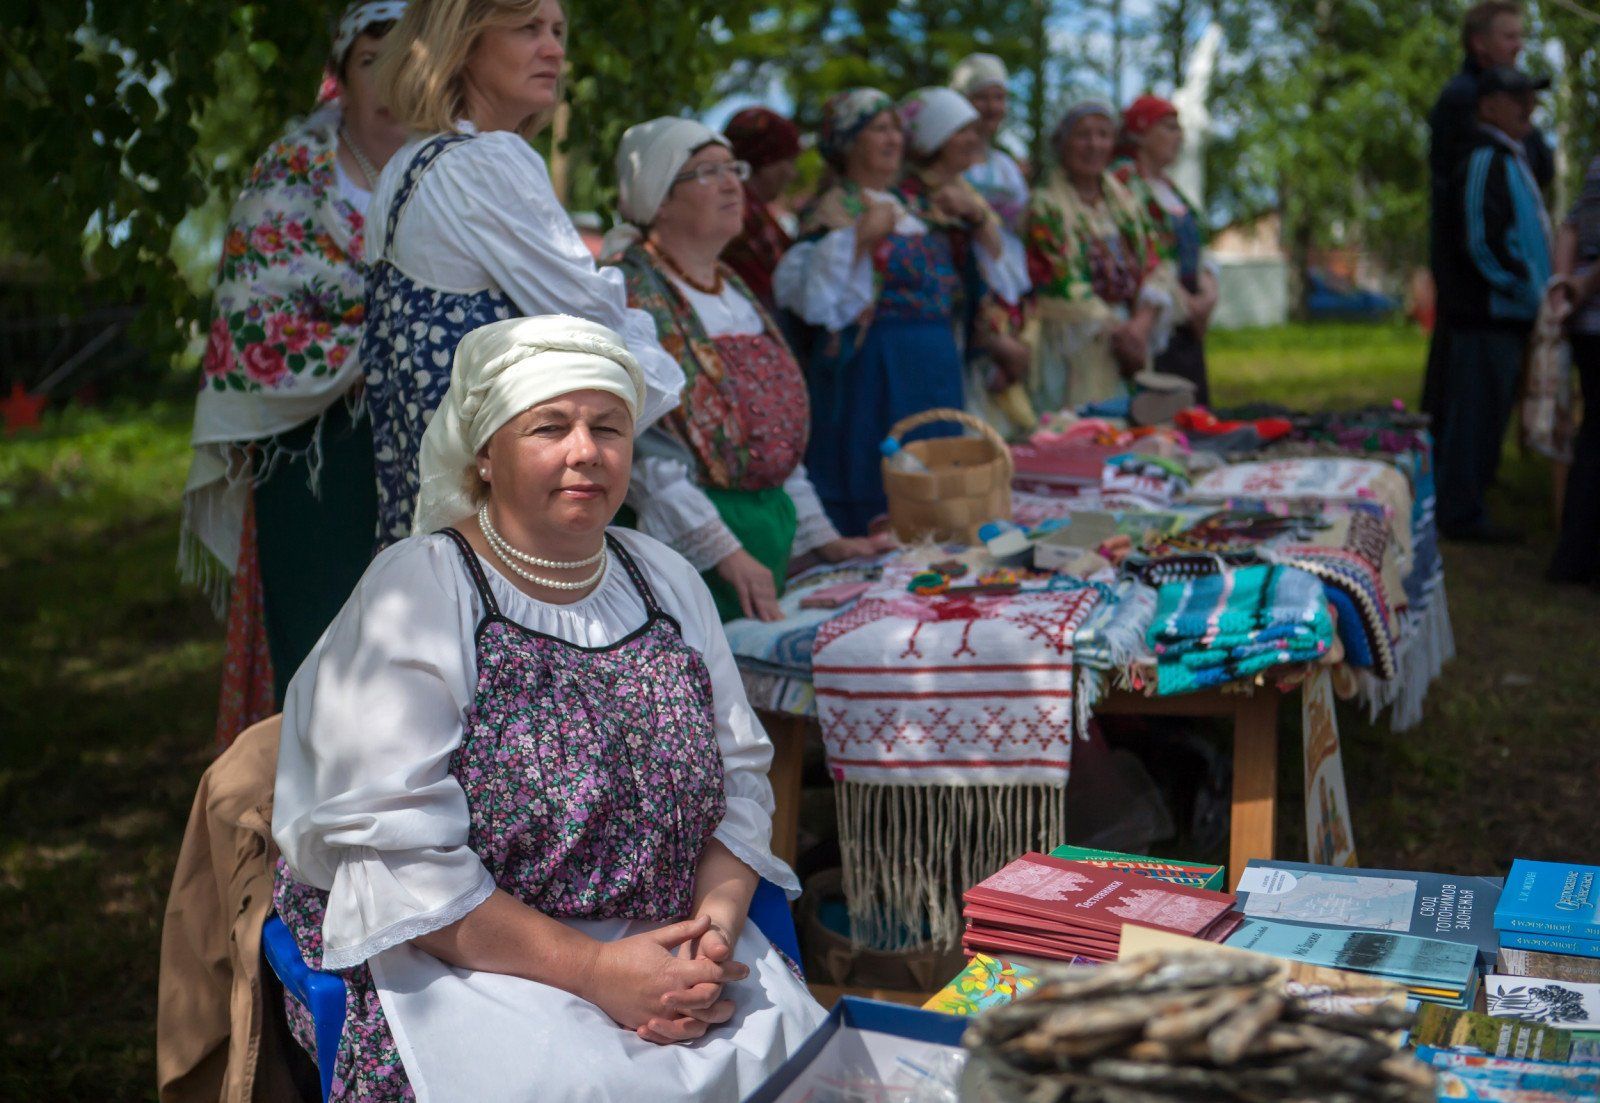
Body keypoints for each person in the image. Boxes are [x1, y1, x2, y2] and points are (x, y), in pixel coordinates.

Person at [271, 315, 826, 1100]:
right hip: (475, 956)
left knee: (802, 1067)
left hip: (669, 938)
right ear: (486, 455)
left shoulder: (663, 579)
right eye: (548, 426)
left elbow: (738, 786)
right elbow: (401, 861)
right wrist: (596, 970)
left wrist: (711, 939)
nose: (585, 451)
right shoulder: (424, 590)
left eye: (608, 426)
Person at [360, 0, 683, 546]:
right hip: (502, 529)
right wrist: (663, 376)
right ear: (462, 44)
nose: (554, 48)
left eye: (558, 30)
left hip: (430, 524)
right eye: (527, 28)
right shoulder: (483, 161)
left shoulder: (405, 167)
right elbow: (596, 331)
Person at [182, 1, 409, 727]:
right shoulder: (289, 174)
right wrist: (396, 320)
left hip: (427, 445)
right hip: (312, 452)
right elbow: (256, 314)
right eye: (371, 61)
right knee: (320, 651)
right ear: (342, 74)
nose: (389, 79)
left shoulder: (453, 167)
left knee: (418, 654)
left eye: (405, 59)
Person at [600, 118, 877, 623]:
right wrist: (724, 554)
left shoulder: (733, 287)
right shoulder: (628, 294)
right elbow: (641, 449)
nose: (733, 184)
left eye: (734, 169)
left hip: (767, 536)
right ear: (659, 198)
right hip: (685, 551)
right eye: (707, 172)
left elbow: (777, 435)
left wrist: (823, 541)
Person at [773, 89, 970, 534]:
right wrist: (860, 239)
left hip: (934, 370)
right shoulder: (833, 209)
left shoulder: (915, 207)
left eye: (896, 128)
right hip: (877, 375)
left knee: (935, 483)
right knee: (882, 490)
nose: (893, 138)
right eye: (878, 128)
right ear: (848, 142)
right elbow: (809, 302)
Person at [1435, 66, 1552, 542]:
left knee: (1489, 414)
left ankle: (1470, 503)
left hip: (1507, 315)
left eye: (1531, 96)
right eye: (1516, 96)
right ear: (1488, 106)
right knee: (1475, 414)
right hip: (1488, 315)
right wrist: (1523, 288)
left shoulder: (1510, 156)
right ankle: (1459, 514)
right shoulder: (1484, 158)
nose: (1529, 106)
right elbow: (1480, 241)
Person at [1422, 0, 1553, 421]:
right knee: (1466, 405)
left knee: (1481, 408)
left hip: (1491, 296)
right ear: (1480, 44)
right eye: (1509, 36)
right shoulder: (1467, 102)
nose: (1519, 45)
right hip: (1479, 297)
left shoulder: (1493, 104)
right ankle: (1454, 482)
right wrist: (1518, 280)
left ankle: (1465, 477)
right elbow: (1477, 216)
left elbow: (1542, 166)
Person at [1024, 99, 1181, 416]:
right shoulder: (1046, 205)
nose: (1094, 145)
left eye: (1103, 134)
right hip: (1074, 341)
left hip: (1131, 334)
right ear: (1062, 142)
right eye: (1082, 135)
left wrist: (1141, 325)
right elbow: (1059, 280)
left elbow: (1157, 259)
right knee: (1079, 431)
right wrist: (1120, 332)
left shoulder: (1127, 202)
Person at [895, 86, 1032, 435]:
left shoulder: (966, 195)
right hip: (927, 350)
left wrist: (979, 218)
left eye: (974, 130)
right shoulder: (909, 201)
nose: (974, 139)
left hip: (964, 345)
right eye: (962, 131)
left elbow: (1003, 272)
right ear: (934, 138)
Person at [1113, 94, 1219, 406]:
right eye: (1169, 127)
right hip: (1155, 316)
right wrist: (1184, 303)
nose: (1179, 137)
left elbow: (1200, 246)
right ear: (1141, 132)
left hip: (1187, 321)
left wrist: (1208, 295)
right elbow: (1140, 249)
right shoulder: (1124, 182)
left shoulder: (1170, 188)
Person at [1547, 156, 1600, 583]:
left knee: (1593, 436)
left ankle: (1573, 557)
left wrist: (1563, 288)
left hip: (1586, 319)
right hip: (1590, 309)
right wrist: (1579, 285)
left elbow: (1570, 226)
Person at [719, 107, 801, 315]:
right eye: (788, 161)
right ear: (764, 161)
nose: (792, 174)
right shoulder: (742, 219)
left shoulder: (758, 217)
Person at [949, 53, 1030, 237]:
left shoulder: (1006, 167)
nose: (992, 107)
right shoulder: (941, 161)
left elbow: (1024, 227)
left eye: (999, 97)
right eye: (981, 97)